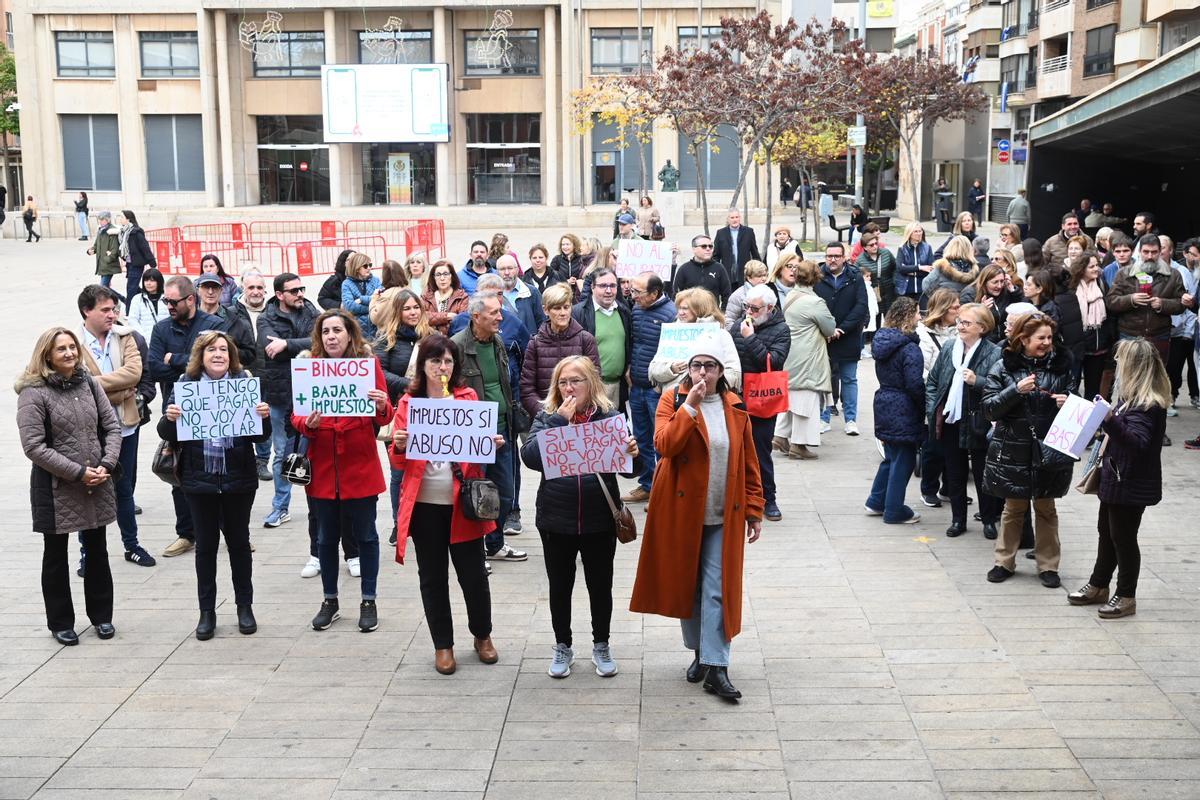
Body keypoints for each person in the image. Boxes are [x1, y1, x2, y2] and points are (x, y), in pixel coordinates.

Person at [629, 336, 764, 701]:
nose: (702, 373)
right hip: (680, 511)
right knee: (688, 587)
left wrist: (754, 510)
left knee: (717, 589)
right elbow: (664, 446)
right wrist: (689, 407)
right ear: (687, 369)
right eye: (696, 365)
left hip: (725, 513)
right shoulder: (671, 400)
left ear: (722, 372)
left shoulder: (734, 406)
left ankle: (717, 666)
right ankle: (700, 654)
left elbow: (749, 464)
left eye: (710, 366)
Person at [522, 356, 641, 678]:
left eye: (576, 381)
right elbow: (531, 458)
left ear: (591, 384)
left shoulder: (610, 417)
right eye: (563, 382)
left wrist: (634, 453)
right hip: (556, 518)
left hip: (598, 518)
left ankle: (601, 644)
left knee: (600, 586)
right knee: (560, 587)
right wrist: (559, 422)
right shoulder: (547, 416)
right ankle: (563, 645)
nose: (569, 388)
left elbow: (634, 472)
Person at [389, 335, 499, 674]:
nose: (442, 367)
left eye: (448, 361)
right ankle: (443, 645)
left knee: (474, 575)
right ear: (423, 365)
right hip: (424, 506)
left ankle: (482, 635)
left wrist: (489, 442)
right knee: (433, 577)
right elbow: (397, 463)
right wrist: (399, 443)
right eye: (435, 361)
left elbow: (479, 458)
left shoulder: (468, 397)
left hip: (460, 504)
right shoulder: (409, 402)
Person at [159, 331, 270, 640]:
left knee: (239, 544)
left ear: (231, 355)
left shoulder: (243, 382)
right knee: (205, 547)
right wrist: (170, 417)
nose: (218, 354)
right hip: (199, 481)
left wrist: (263, 418)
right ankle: (206, 612)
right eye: (212, 350)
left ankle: (244, 607)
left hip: (238, 480)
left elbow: (261, 437)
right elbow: (166, 430)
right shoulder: (186, 384)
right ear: (201, 356)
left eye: (224, 349)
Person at [17, 327, 122, 645]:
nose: (69, 353)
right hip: (56, 487)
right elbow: (34, 446)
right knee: (56, 554)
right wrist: (78, 473)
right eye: (61, 349)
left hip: (97, 481)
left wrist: (106, 464)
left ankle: (102, 617)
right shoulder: (33, 393)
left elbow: (111, 426)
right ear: (47, 354)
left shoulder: (89, 382)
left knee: (97, 550)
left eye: (72, 347)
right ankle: (61, 622)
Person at [293, 310, 393, 632]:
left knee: (366, 535)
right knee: (325, 537)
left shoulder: (367, 367)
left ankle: (369, 600)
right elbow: (297, 416)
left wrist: (380, 404)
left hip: (358, 465)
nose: (331, 336)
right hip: (323, 468)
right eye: (325, 331)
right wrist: (306, 424)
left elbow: (385, 414)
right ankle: (330, 600)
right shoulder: (309, 368)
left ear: (350, 334)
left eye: (337, 330)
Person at [1068, 338, 1168, 619]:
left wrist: (1110, 418)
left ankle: (1126, 595)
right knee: (1106, 533)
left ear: (1135, 367)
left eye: (1122, 361)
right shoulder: (1130, 400)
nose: (1117, 366)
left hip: (1130, 483)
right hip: (1116, 478)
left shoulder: (1149, 404)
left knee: (1123, 539)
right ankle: (1098, 584)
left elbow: (1136, 443)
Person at [982, 312, 1076, 587]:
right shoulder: (1003, 367)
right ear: (1023, 339)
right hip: (1013, 450)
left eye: (1049, 337)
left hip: (1049, 451)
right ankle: (1004, 562)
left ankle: (1048, 566)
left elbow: (1076, 409)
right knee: (1013, 508)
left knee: (1046, 508)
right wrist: (1015, 390)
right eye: (1041, 338)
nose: (1047, 343)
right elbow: (989, 409)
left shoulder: (1061, 368)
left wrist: (1067, 403)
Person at [75, 286, 156, 569]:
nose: (112, 315)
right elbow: (77, 385)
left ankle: (131, 545)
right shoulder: (73, 344)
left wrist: (95, 385)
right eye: (105, 310)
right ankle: (88, 553)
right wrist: (122, 389)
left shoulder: (126, 337)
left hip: (125, 428)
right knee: (90, 491)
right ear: (87, 311)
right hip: (90, 431)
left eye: (114, 309)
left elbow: (134, 373)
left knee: (124, 489)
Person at [451, 295, 528, 564]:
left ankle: (495, 544)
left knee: (504, 494)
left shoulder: (497, 342)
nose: (500, 317)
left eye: (500, 312)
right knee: (475, 494)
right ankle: (476, 551)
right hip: (475, 436)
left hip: (503, 431)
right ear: (476, 317)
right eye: (494, 313)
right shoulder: (457, 346)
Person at [149, 276, 222, 557]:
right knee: (179, 473)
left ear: (190, 299)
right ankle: (186, 533)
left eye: (172, 301)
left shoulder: (212, 325)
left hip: (215, 410)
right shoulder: (161, 328)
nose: (168, 305)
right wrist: (190, 361)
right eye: (166, 301)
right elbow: (155, 368)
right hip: (177, 411)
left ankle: (228, 530)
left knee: (220, 471)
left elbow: (218, 361)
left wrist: (176, 359)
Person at [926, 303, 1004, 537]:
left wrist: (977, 381)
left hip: (978, 421)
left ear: (982, 327)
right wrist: (933, 409)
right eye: (959, 321)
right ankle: (958, 520)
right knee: (954, 472)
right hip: (951, 420)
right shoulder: (950, 347)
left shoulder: (994, 353)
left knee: (983, 475)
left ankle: (989, 520)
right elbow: (933, 382)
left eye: (966, 323)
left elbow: (1001, 389)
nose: (959, 326)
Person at [256, 272, 320, 531]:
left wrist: (288, 345)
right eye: (294, 291)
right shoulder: (265, 318)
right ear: (279, 295)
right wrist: (294, 347)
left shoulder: (313, 314)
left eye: (301, 289)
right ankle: (280, 507)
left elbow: (320, 344)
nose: (300, 294)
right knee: (282, 452)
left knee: (313, 452)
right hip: (280, 393)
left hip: (311, 394)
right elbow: (270, 348)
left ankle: (317, 505)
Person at [376, 288, 433, 544]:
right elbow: (380, 374)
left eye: (416, 308)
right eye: (407, 308)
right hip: (399, 413)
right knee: (398, 471)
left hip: (427, 413)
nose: (412, 312)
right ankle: (399, 522)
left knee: (427, 468)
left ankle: (422, 519)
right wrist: (407, 384)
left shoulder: (431, 338)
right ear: (397, 312)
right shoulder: (385, 340)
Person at [731, 284, 790, 520]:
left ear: (770, 308)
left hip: (763, 400)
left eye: (754, 309)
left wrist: (751, 338)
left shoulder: (781, 330)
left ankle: (768, 498)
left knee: (760, 451)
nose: (749, 312)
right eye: (747, 307)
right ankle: (739, 497)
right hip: (736, 397)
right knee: (735, 450)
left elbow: (772, 362)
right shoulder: (738, 326)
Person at [865, 298, 925, 524]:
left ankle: (876, 500)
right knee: (904, 459)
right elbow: (914, 384)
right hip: (904, 405)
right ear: (909, 317)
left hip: (884, 401)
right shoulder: (909, 348)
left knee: (891, 455)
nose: (920, 317)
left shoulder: (883, 341)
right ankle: (894, 509)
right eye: (918, 313)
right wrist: (924, 405)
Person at [623, 272, 676, 503]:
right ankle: (647, 483)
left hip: (657, 390)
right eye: (632, 290)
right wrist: (630, 368)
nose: (633, 296)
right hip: (637, 386)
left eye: (638, 292)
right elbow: (635, 343)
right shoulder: (636, 310)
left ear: (655, 293)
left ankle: (664, 487)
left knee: (661, 440)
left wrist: (662, 382)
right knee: (641, 437)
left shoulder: (671, 314)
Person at [775, 260, 836, 459]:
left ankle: (781, 435)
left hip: (791, 353)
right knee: (806, 398)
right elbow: (829, 327)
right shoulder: (814, 302)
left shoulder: (791, 295)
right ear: (816, 277)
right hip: (808, 356)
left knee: (792, 396)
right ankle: (799, 445)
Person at [520, 283, 600, 418]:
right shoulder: (535, 343)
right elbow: (527, 389)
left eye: (566, 307)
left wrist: (578, 411)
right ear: (546, 310)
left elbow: (594, 381)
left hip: (581, 417)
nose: (563, 313)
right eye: (557, 308)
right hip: (547, 417)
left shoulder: (586, 339)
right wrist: (548, 414)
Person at [1106, 234, 1186, 366]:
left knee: (1156, 379)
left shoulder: (1173, 274)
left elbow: (1181, 304)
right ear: (1139, 252)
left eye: (1154, 252)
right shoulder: (1125, 273)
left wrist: (1163, 304)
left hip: (1159, 334)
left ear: (1160, 252)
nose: (1150, 256)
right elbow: (1110, 301)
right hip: (1130, 335)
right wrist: (1131, 299)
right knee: (1130, 380)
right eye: (1146, 252)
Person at [815, 242, 869, 435]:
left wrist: (841, 329)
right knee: (824, 379)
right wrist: (827, 329)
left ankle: (851, 419)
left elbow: (861, 306)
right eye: (829, 255)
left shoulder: (855, 277)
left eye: (837, 256)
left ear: (844, 257)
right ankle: (824, 417)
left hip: (848, 336)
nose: (832, 259)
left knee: (849, 378)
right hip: (824, 338)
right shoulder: (818, 276)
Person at [915, 289, 960, 507]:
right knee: (934, 446)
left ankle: (949, 488)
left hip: (957, 396)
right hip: (935, 397)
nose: (958, 311)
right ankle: (929, 488)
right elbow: (922, 370)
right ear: (943, 310)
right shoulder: (925, 334)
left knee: (954, 446)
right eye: (954, 307)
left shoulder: (960, 331)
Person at [651, 288, 741, 394]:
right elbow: (654, 370)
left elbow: (734, 372)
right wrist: (671, 369)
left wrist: (707, 377)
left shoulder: (720, 335)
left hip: (707, 399)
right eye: (679, 308)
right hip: (674, 401)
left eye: (685, 308)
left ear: (700, 309)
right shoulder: (673, 333)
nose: (680, 313)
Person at [227, 270, 272, 480]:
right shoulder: (230, 312)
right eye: (251, 287)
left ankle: (262, 461)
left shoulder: (273, 311)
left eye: (259, 287)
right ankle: (244, 458)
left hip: (268, 373)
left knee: (263, 415)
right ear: (243, 289)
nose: (255, 292)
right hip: (241, 373)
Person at [571, 267, 631, 409]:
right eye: (603, 286)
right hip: (593, 388)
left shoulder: (623, 311)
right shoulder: (579, 313)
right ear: (592, 287)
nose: (609, 291)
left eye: (612, 286)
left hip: (618, 386)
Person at [1057, 253, 1114, 400]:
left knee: (1093, 390)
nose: (1097, 269)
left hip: (1098, 347)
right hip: (1076, 347)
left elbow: (1109, 315)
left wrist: (1108, 338)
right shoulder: (1071, 288)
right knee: (1072, 387)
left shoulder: (1101, 284)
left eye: (1097, 265)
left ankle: (1090, 422)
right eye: (1092, 266)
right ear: (1082, 269)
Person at [195, 273, 256, 367]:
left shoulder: (235, 320)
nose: (210, 292)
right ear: (198, 290)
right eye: (206, 287)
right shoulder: (189, 319)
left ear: (221, 291)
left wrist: (227, 349)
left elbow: (250, 355)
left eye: (215, 287)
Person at [960, 265, 1022, 343]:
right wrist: (981, 311)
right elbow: (965, 320)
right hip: (982, 341)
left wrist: (1013, 291)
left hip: (1004, 340)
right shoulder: (970, 293)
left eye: (1002, 281)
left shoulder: (1005, 291)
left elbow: (1019, 309)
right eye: (995, 282)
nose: (999, 286)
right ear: (984, 282)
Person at [498, 253, 546, 340]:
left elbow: (542, 322)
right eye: (502, 269)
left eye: (510, 268)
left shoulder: (532, 292)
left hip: (528, 346)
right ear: (497, 271)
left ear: (517, 270)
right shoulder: (493, 294)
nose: (506, 273)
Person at [117, 211, 156, 310]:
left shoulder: (135, 232)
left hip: (137, 263)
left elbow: (144, 247)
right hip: (129, 264)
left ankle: (129, 311)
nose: (120, 219)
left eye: (122, 217)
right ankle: (150, 299)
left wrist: (152, 262)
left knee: (131, 288)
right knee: (134, 287)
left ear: (128, 219)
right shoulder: (123, 232)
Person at [921, 235, 979, 304]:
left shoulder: (941, 267)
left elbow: (926, 285)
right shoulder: (974, 270)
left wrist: (937, 299)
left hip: (945, 305)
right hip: (967, 307)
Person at [713, 209, 762, 286]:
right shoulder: (721, 233)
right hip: (727, 274)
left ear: (740, 218)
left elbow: (755, 253)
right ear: (728, 219)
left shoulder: (748, 232)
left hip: (745, 274)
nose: (734, 220)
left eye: (736, 217)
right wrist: (715, 271)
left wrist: (759, 271)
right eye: (732, 217)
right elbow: (716, 255)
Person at [422, 259, 471, 336]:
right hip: (430, 339)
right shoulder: (426, 296)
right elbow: (422, 317)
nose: (442, 278)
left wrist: (434, 320)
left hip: (453, 339)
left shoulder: (462, 297)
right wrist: (447, 316)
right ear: (433, 277)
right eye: (438, 275)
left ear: (452, 276)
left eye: (445, 274)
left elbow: (461, 321)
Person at [341, 253, 381, 340]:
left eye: (370, 265)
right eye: (365, 266)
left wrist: (362, 299)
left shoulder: (376, 280)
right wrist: (372, 305)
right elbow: (349, 307)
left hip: (377, 329)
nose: (369, 268)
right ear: (357, 267)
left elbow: (382, 301)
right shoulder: (346, 284)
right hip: (358, 331)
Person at [856, 232, 897, 314]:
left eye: (876, 243)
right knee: (875, 318)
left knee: (891, 317)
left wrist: (894, 281)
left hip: (889, 291)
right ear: (864, 247)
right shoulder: (860, 260)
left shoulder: (886, 253)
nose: (875, 246)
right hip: (874, 293)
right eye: (871, 245)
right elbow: (857, 277)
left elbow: (895, 267)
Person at [725, 261, 770, 332]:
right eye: (759, 276)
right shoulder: (738, 296)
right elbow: (729, 321)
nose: (764, 279)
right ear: (749, 278)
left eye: (765, 275)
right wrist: (741, 335)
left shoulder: (769, 292)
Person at [895, 222, 935, 302]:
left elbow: (930, 269)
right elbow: (900, 268)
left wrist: (911, 271)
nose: (919, 233)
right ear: (909, 233)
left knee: (923, 313)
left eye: (920, 231)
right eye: (915, 231)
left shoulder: (927, 248)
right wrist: (920, 267)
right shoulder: (902, 248)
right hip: (906, 288)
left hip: (922, 288)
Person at [367, 259, 410, 332]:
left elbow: (375, 318)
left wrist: (374, 298)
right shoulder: (409, 291)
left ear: (385, 275)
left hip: (390, 335)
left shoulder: (386, 295)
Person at [128, 268, 165, 342]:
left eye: (152, 280)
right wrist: (143, 337)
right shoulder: (137, 299)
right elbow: (133, 320)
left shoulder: (167, 298)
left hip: (165, 340)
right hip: (146, 340)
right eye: (146, 280)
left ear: (159, 281)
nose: (148, 283)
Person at [88, 211, 121, 288]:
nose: (100, 221)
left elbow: (114, 249)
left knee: (102, 288)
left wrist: (107, 259)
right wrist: (91, 250)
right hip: (102, 265)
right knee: (105, 289)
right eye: (99, 219)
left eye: (102, 219)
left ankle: (121, 298)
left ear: (108, 220)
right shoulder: (100, 230)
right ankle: (115, 299)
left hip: (108, 265)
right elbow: (96, 245)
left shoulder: (112, 231)